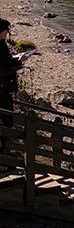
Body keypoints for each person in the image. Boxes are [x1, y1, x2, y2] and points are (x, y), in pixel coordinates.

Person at [0, 19, 37, 164]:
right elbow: (3, 67)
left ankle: (4, 158)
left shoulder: (2, 44)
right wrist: (20, 61)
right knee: (7, 123)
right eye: (6, 30)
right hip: (2, 90)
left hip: (4, 89)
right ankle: (4, 160)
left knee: (7, 122)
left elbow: (6, 61)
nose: (8, 33)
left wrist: (15, 59)